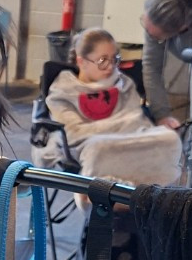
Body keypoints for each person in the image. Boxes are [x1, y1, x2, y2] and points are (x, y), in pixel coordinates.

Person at [32, 27, 178, 169]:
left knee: (171, 140)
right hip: (89, 149)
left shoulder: (124, 84)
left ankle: (150, 191)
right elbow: (73, 133)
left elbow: (136, 121)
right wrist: (118, 128)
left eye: (114, 59)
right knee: (99, 149)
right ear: (82, 62)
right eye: (103, 61)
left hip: (130, 143)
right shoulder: (62, 91)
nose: (110, 67)